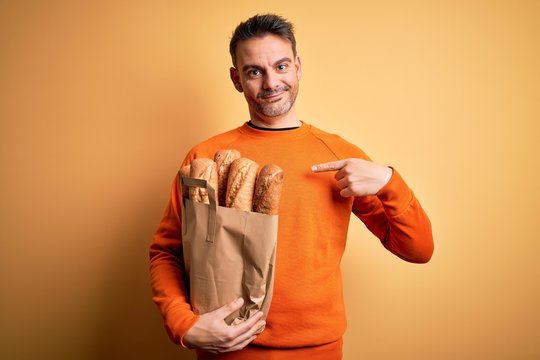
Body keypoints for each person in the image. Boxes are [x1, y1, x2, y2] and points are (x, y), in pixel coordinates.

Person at [149, 13, 434, 360]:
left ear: (298, 67)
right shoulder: (205, 157)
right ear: (237, 79)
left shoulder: (339, 156)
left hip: (317, 350)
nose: (271, 82)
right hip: (228, 349)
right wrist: (185, 325)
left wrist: (390, 181)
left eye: (281, 66)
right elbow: (167, 252)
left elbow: (418, 250)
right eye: (255, 71)